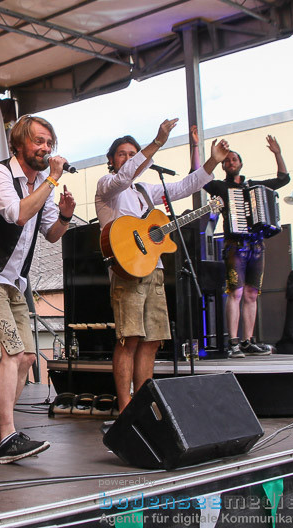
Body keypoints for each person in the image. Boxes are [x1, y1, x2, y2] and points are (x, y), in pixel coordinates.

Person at [0, 115, 75, 464]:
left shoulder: (41, 185)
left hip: (10, 282)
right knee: (10, 353)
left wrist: (64, 216)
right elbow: (19, 215)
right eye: (39, 141)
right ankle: (8, 437)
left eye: (50, 143)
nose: (46, 148)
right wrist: (51, 179)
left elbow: (51, 233)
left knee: (24, 358)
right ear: (18, 144)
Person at [94, 119, 226, 411]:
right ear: (112, 160)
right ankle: (125, 406)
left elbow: (183, 186)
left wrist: (211, 163)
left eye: (133, 153)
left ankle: (142, 403)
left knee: (152, 339)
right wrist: (156, 143)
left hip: (153, 270)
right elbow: (124, 177)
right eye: (122, 154)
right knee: (129, 338)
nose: (128, 158)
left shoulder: (145, 191)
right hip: (126, 270)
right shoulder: (108, 187)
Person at [204, 135, 290, 357]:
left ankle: (247, 340)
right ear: (223, 165)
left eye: (234, 160)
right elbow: (200, 178)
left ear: (241, 163)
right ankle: (233, 342)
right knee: (236, 292)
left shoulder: (255, 186)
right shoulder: (220, 187)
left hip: (256, 245)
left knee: (252, 294)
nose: (231, 163)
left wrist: (277, 153)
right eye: (227, 161)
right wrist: (205, 153)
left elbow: (283, 179)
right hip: (234, 245)